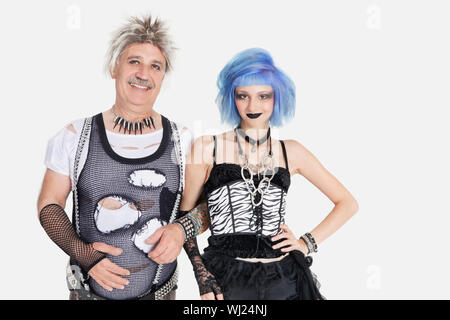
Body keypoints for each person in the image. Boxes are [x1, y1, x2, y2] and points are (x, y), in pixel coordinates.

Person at [37, 14, 207, 300]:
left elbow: (210, 204)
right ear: (114, 67)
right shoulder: (75, 135)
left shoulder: (185, 140)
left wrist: (180, 230)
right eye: (134, 61)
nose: (144, 73)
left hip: (161, 293)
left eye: (156, 66)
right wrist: (86, 255)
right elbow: (49, 203)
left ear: (163, 77)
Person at [177, 48, 359, 300]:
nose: (253, 106)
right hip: (226, 280)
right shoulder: (208, 147)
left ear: (278, 97)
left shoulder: (291, 151)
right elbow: (184, 216)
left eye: (263, 96)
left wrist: (307, 243)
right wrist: (201, 276)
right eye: (243, 96)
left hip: (283, 280)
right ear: (233, 97)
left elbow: (348, 203)